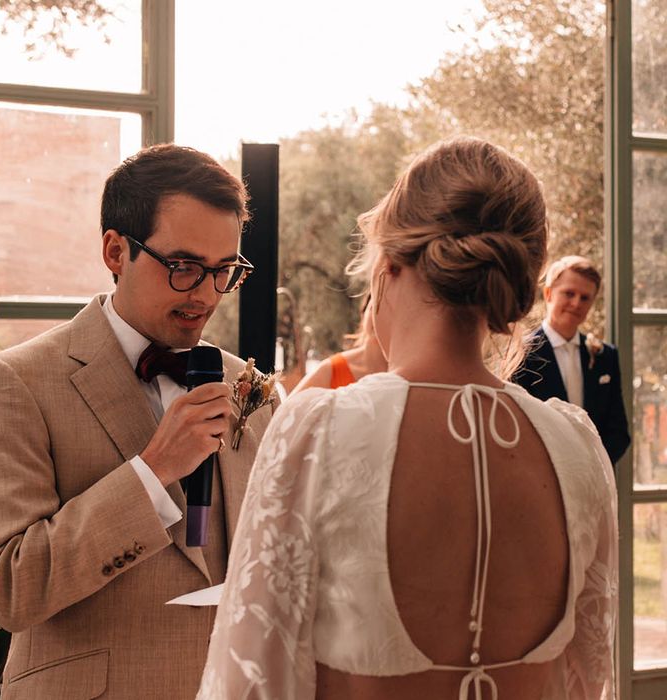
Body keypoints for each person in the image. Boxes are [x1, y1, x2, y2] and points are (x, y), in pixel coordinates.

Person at [198, 137, 617, 699]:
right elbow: (590, 682)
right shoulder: (578, 448)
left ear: (388, 264)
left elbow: (247, 686)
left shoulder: (319, 432)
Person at [0, 144, 278, 699]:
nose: (206, 294)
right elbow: (10, 588)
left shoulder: (248, 385)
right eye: (183, 267)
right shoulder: (14, 382)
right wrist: (153, 471)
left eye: (224, 270)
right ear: (114, 250)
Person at [512, 255, 630, 466]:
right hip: (540, 476)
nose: (576, 303)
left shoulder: (606, 357)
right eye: (569, 293)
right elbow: (516, 426)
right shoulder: (521, 353)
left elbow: (619, 432)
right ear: (548, 294)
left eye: (585, 298)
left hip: (593, 481)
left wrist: (592, 468)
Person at [291, 295, 386, 392]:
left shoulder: (400, 377)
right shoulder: (331, 371)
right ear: (363, 314)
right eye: (374, 308)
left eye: (388, 311)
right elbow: (289, 407)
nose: (378, 319)